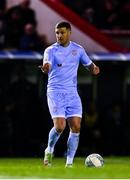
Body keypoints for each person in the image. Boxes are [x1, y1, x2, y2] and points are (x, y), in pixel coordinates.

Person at [39, 21, 100, 167]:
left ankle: (69, 163)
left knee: (76, 127)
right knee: (60, 127)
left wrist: (94, 69)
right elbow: (47, 64)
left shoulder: (78, 50)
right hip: (55, 92)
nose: (59, 35)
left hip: (72, 93)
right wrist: (46, 68)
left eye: (62, 32)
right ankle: (50, 148)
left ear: (69, 32)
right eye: (57, 33)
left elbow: (90, 65)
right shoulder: (50, 50)